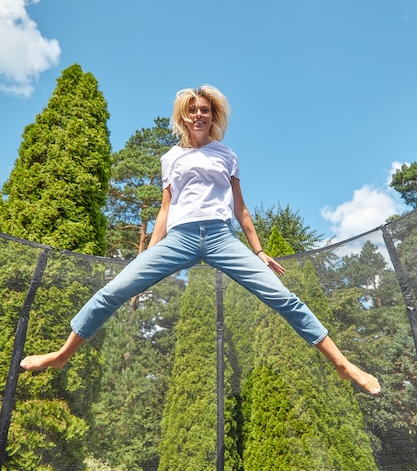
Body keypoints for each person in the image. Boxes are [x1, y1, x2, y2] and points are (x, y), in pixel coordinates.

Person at [20, 86, 380, 395]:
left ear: (213, 116)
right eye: (192, 111)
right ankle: (62, 355)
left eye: (204, 110)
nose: (198, 115)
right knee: (113, 291)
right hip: (180, 237)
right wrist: (146, 255)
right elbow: (164, 210)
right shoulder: (171, 157)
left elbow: (241, 209)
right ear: (183, 116)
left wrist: (259, 250)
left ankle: (343, 364)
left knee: (284, 297)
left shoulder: (227, 155)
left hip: (222, 237)